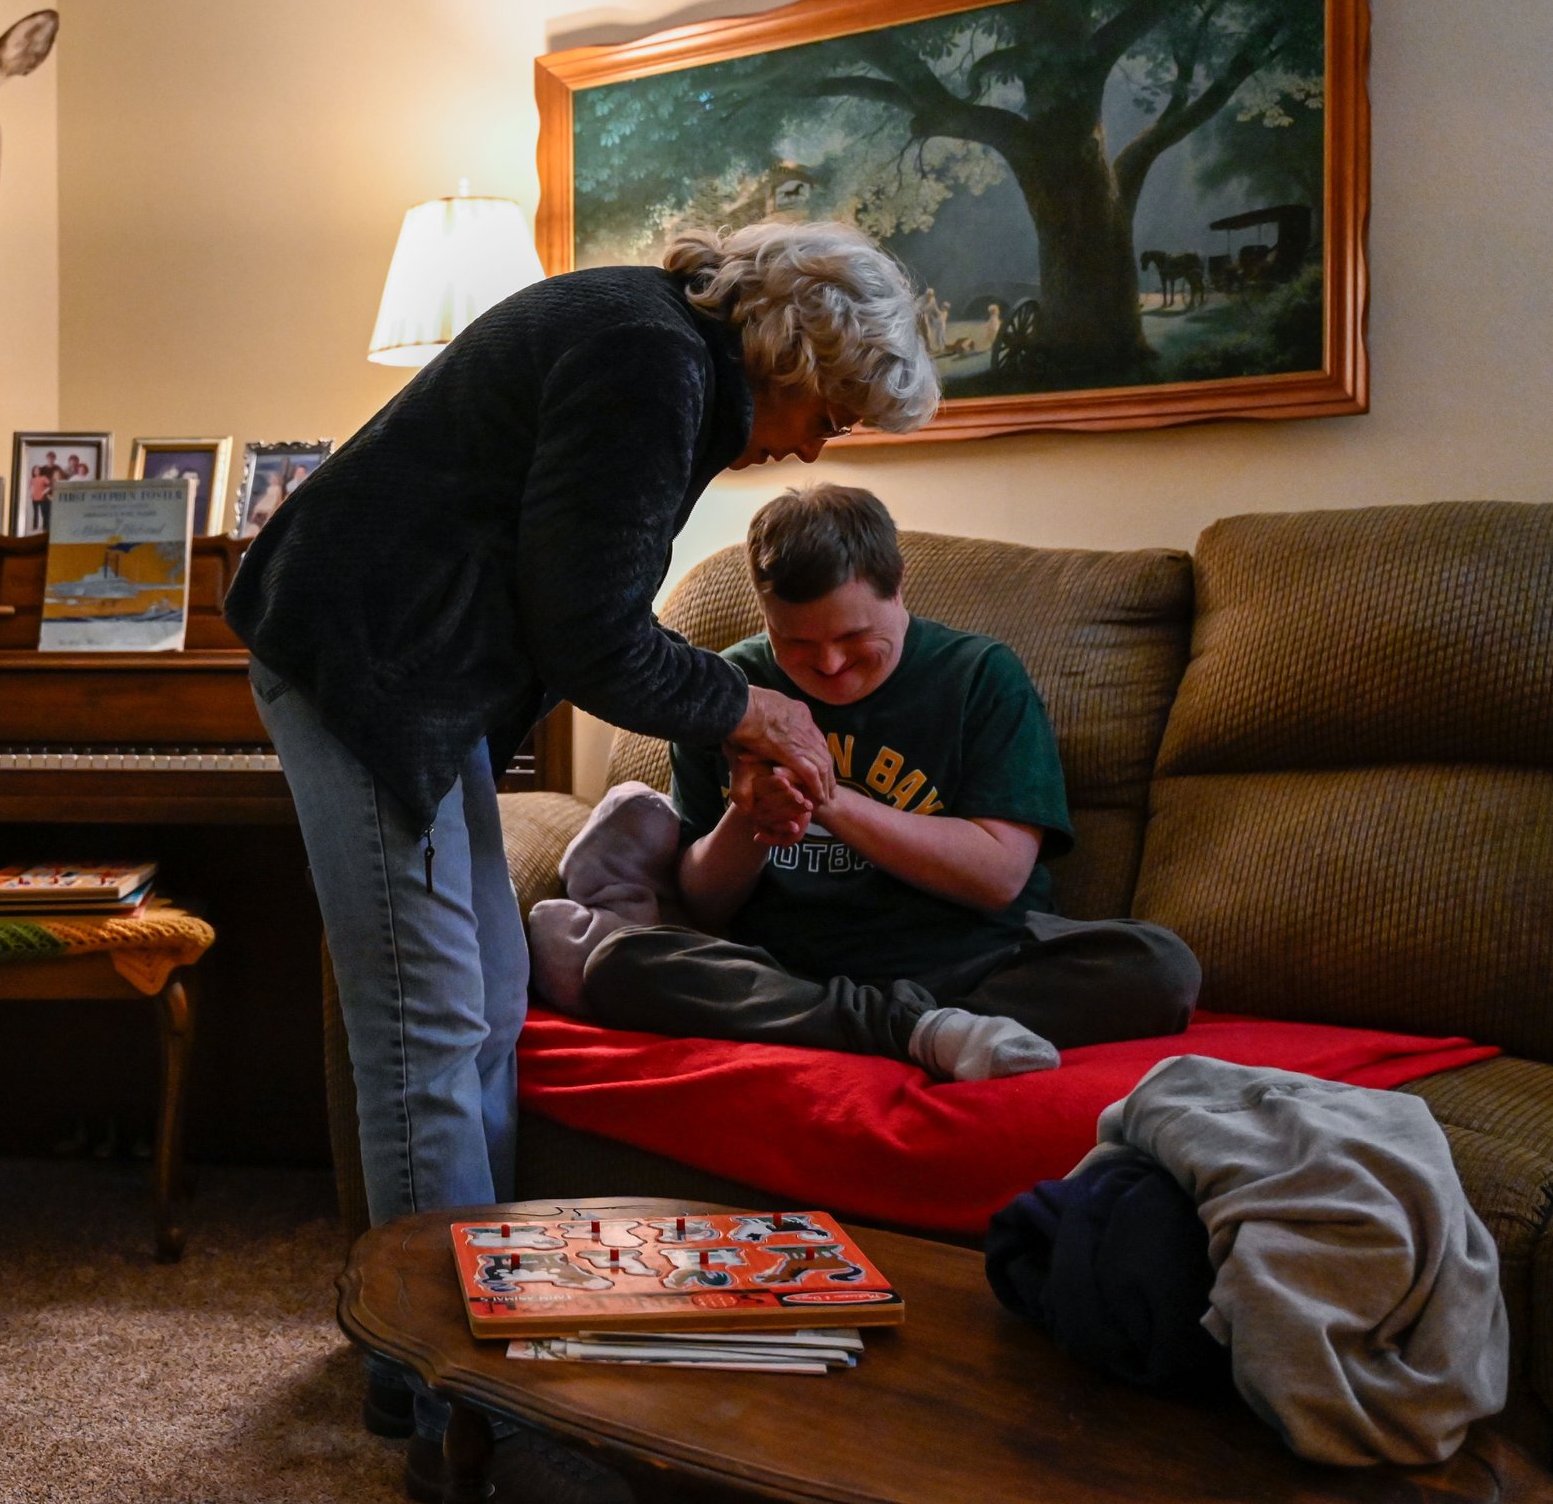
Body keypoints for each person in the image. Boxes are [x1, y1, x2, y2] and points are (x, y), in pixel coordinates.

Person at [224, 221, 941, 1491]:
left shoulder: (667, 357)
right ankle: (433, 1383)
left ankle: (501, 1337)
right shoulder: (644, 358)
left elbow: (564, 614)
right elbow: (591, 633)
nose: (816, 444)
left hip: (426, 679)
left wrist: (729, 715)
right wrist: (748, 710)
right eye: (828, 409)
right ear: (786, 347)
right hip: (358, 661)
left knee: (494, 999)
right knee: (430, 1027)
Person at [572, 484, 1200, 1081]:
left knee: (1158, 968)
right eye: (796, 643)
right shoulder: (731, 689)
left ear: (899, 589)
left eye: (853, 636)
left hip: (971, 964)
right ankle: (924, 1033)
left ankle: (903, 1026)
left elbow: (998, 877)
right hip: (793, 972)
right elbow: (705, 902)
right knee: (620, 966)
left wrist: (832, 800)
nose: (830, 664)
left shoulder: (980, 676)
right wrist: (748, 818)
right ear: (765, 613)